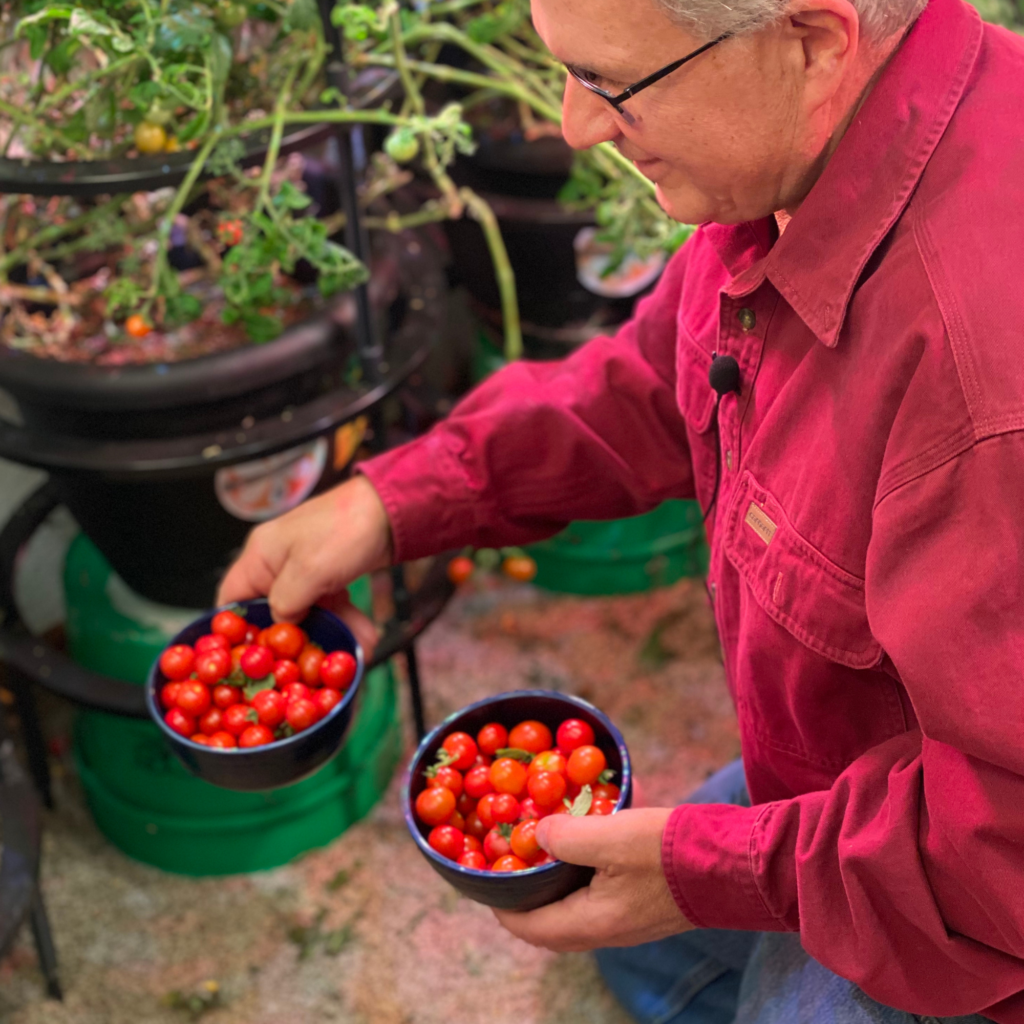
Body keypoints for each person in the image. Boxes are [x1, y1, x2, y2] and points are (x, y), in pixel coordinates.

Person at [218, 0, 1024, 1015]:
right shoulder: (807, 155)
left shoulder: (983, 387)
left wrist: (716, 868)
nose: (572, 125)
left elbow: (1004, 843)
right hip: (845, 771)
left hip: (975, 910)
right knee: (639, 952)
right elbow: (664, 378)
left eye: (610, 84)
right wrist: (393, 501)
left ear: (813, 44)